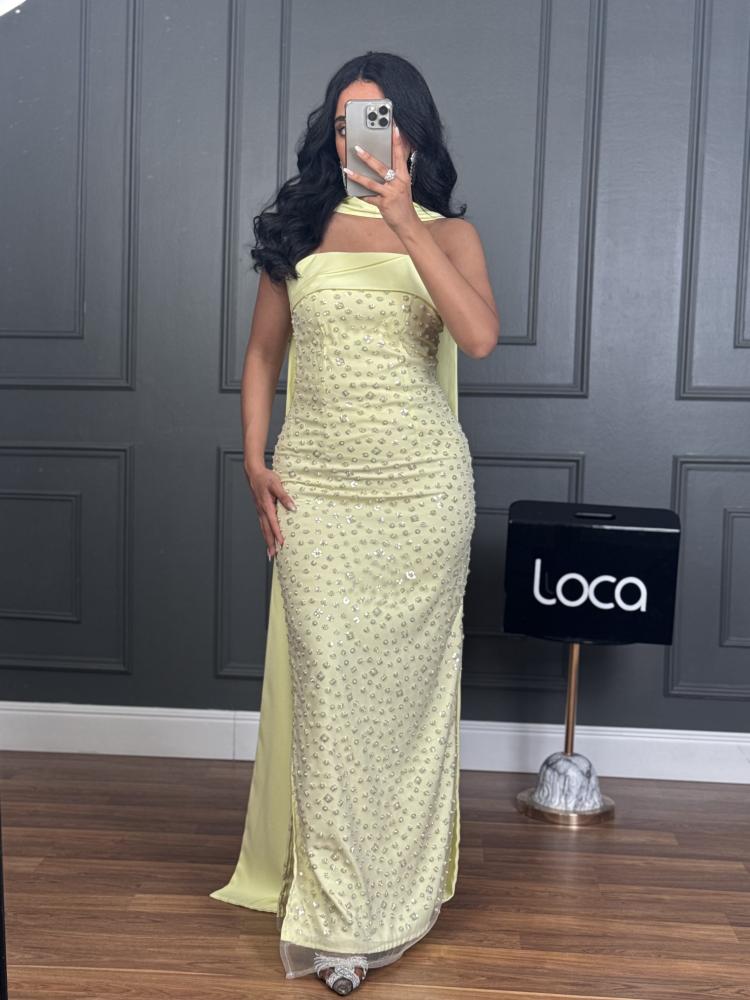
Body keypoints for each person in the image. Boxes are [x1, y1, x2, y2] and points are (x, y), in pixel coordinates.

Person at [210, 51, 499, 994]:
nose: (357, 138)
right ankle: (340, 920)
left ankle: (397, 901)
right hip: (320, 494)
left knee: (407, 709)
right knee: (331, 702)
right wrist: (253, 459)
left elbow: (478, 337)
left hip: (420, 497)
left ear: (411, 130)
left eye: (375, 120)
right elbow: (262, 356)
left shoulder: (452, 235)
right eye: (343, 123)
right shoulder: (299, 230)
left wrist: (407, 221)